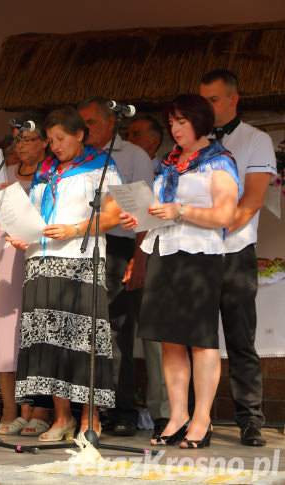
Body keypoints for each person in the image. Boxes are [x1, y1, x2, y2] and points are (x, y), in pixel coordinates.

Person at [123, 94, 240, 449]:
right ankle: (178, 415)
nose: (175, 129)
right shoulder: (168, 164)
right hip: (164, 253)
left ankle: (202, 419)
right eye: (171, 122)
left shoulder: (218, 162)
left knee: (201, 342)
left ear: (200, 122)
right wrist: (140, 217)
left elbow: (224, 215)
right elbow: (159, 211)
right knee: (170, 340)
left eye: (181, 122)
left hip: (199, 257)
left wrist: (180, 211)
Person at [7, 106, 122, 441]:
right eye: (51, 139)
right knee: (50, 343)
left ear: (79, 135)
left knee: (81, 341)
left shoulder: (100, 166)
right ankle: (61, 418)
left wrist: (74, 229)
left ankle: (90, 418)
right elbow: (34, 216)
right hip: (41, 260)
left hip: (80, 260)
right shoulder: (45, 171)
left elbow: (115, 214)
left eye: (61, 138)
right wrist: (23, 236)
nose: (55, 146)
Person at [200, 69, 276, 447]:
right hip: (195, 255)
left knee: (240, 340)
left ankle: (250, 420)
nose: (208, 107)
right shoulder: (194, 143)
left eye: (213, 99)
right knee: (198, 339)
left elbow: (253, 199)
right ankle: (199, 420)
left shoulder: (256, 140)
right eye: (203, 100)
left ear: (233, 99)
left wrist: (217, 229)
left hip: (234, 251)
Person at [78, 96, 154, 436]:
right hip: (83, 246)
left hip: (121, 247)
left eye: (91, 122)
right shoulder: (81, 156)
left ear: (111, 123)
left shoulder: (134, 156)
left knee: (118, 332)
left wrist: (139, 259)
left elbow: (145, 215)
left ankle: (123, 409)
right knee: (88, 331)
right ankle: (92, 409)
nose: (85, 129)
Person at [0, 113, 51, 436]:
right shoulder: (4, 175)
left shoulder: (52, 174)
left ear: (45, 141)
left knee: (36, 330)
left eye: (28, 139)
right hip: (5, 256)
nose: (21, 145)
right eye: (17, 139)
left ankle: (39, 407)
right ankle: (11, 406)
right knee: (6, 331)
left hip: (36, 254)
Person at [124, 114, 171, 437]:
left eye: (136, 134)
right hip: (123, 254)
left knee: (158, 338)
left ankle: (163, 411)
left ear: (154, 142)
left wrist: (140, 259)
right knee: (126, 336)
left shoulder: (166, 170)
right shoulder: (124, 168)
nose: (129, 139)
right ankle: (122, 406)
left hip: (159, 257)